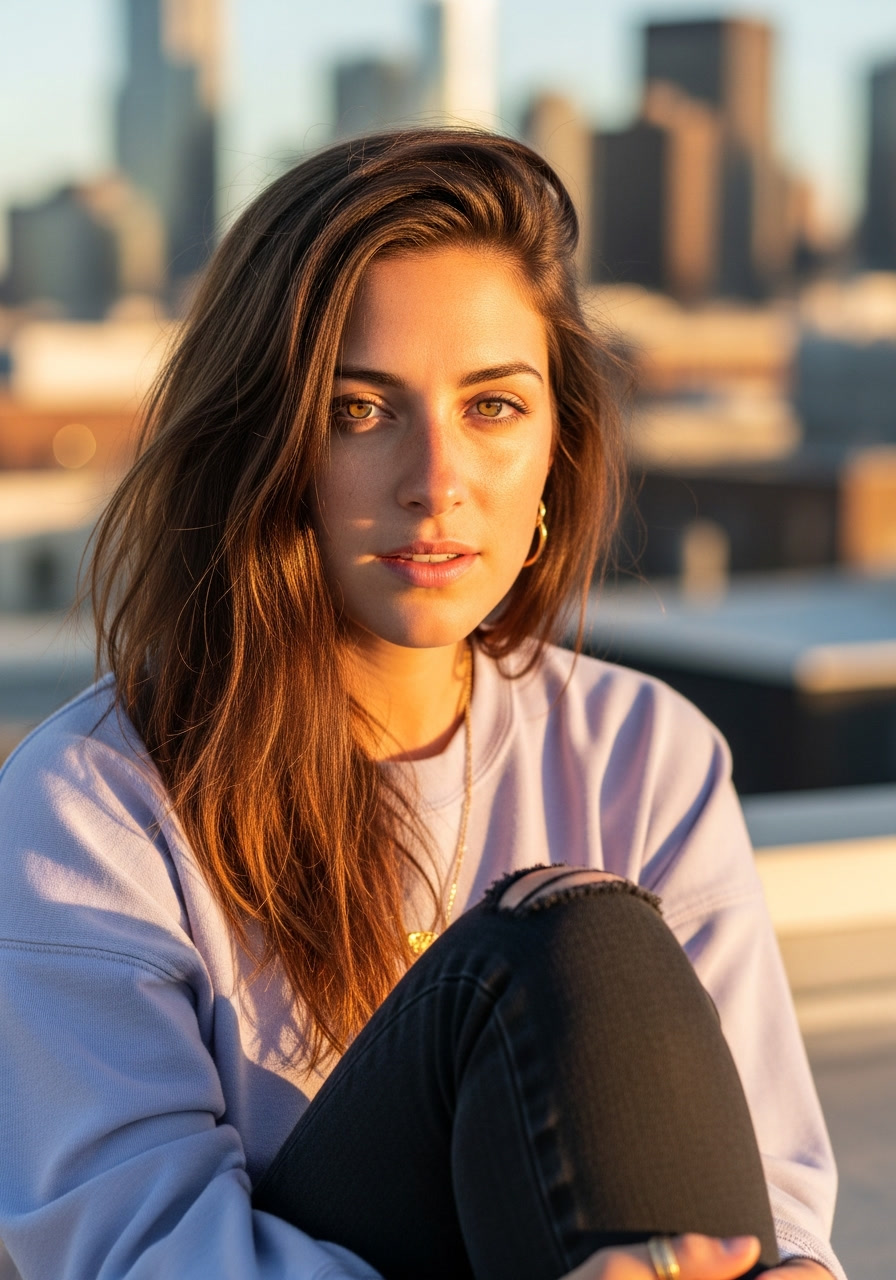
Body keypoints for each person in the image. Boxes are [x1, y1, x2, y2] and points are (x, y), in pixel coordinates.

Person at [0, 130, 845, 1280]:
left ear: (556, 445)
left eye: (492, 406)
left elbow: (766, 1186)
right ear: (264, 442)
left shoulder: (642, 751)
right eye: (359, 410)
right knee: (571, 937)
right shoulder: (90, 806)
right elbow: (140, 1246)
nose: (436, 481)